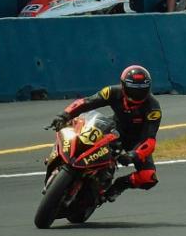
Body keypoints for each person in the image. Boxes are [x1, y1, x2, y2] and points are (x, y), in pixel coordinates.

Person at [48, 65, 161, 200]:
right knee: (81, 135)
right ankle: (58, 157)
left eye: (142, 90)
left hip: (136, 142)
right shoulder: (112, 92)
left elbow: (149, 140)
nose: (137, 94)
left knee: (148, 177)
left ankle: (119, 185)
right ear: (123, 86)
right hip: (113, 130)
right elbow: (87, 102)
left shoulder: (153, 108)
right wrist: (65, 114)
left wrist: (134, 155)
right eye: (133, 89)